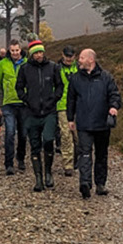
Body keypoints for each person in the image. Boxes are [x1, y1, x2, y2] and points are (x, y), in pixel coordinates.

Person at [66, 47, 122, 198]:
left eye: (82, 58)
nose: (79, 60)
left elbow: (115, 94)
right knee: (84, 153)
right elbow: (70, 100)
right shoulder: (75, 78)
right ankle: (85, 183)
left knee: (101, 155)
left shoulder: (106, 77)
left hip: (102, 124)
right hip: (83, 124)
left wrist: (114, 107)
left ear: (91, 59)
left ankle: (100, 184)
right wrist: (70, 119)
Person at [15, 39, 63, 192]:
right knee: (34, 145)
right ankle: (38, 179)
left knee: (49, 140)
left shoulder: (53, 67)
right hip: (32, 112)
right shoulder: (25, 69)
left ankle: (48, 172)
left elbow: (60, 85)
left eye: (41, 52)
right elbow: (19, 87)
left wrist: (54, 99)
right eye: (36, 53)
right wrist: (27, 99)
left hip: (49, 111)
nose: (39, 55)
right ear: (32, 54)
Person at [0, 40, 26, 175]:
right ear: (9, 51)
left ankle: (21, 158)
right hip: (8, 104)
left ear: (20, 50)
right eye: (13, 50)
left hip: (24, 104)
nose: (15, 53)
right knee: (10, 132)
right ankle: (9, 163)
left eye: (17, 50)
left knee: (23, 134)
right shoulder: (2, 64)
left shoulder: (26, 63)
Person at [55, 45, 78, 174]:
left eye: (71, 56)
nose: (69, 58)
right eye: (67, 56)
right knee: (66, 135)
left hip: (78, 105)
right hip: (62, 105)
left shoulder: (80, 68)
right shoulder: (57, 69)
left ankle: (77, 158)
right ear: (62, 55)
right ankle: (67, 164)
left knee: (78, 136)